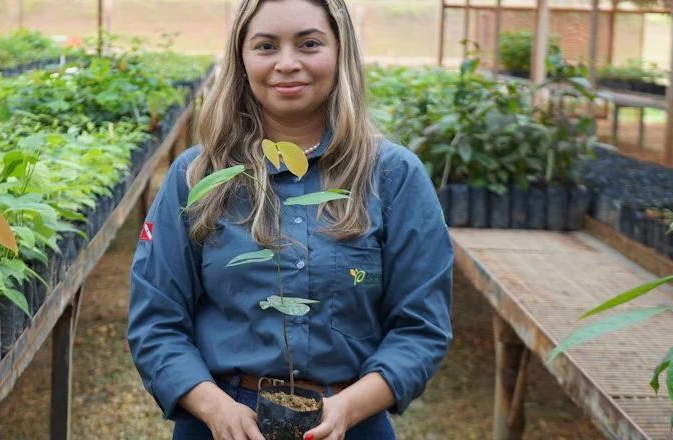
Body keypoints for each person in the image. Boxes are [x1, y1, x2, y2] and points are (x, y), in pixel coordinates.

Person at [126, 0, 453, 438]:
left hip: (350, 421)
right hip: (222, 422)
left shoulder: (393, 176)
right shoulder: (197, 178)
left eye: (309, 44)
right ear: (241, 60)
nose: (287, 63)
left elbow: (421, 327)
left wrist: (348, 409)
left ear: (341, 52)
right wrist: (215, 407)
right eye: (265, 46)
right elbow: (155, 320)